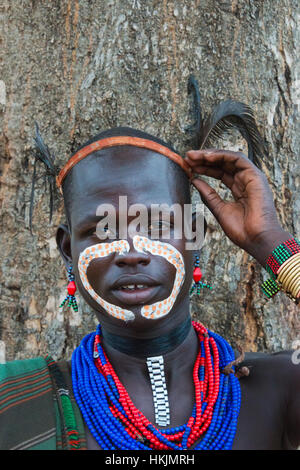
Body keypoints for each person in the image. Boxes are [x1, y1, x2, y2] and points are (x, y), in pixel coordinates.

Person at [0, 104, 299, 450]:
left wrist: (271, 243)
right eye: (102, 230)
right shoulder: (15, 404)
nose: (131, 251)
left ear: (194, 236)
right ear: (69, 250)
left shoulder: (278, 388)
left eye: (158, 225)